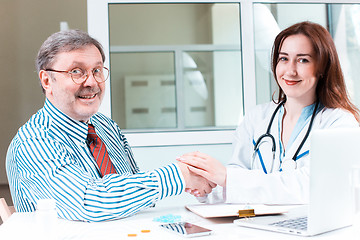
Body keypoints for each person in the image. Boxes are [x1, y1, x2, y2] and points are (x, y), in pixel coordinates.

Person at [6, 29, 215, 222]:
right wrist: (178, 176)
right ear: (46, 80)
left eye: (97, 70)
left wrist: (191, 178)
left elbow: (137, 195)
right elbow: (89, 203)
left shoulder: (106, 127)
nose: (92, 82)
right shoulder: (33, 142)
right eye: (76, 71)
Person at [177, 21, 360, 204]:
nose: (290, 70)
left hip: (309, 229)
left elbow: (311, 187)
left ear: (322, 68)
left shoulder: (340, 124)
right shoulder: (256, 118)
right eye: (283, 59)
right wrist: (206, 185)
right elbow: (235, 183)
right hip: (256, 228)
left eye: (303, 60)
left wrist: (226, 178)